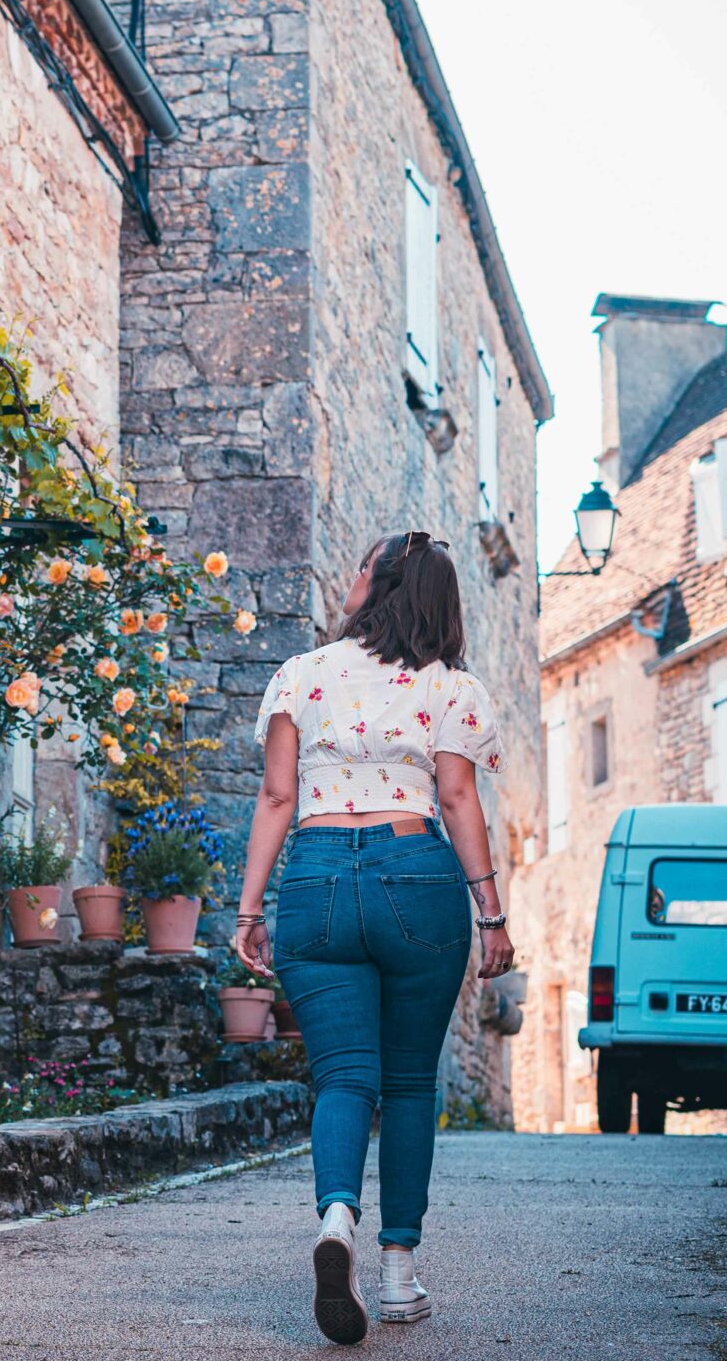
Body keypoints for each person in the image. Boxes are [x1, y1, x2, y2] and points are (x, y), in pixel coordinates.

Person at [231, 530, 514, 1346]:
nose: (351, 578)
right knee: (411, 1084)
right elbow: (457, 799)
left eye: (361, 567)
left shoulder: (301, 674)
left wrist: (249, 912)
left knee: (342, 1079)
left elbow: (277, 798)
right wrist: (491, 914)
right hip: (415, 874)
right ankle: (397, 1274)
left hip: (317, 875)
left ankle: (336, 1220)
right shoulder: (451, 685)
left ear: (380, 585)